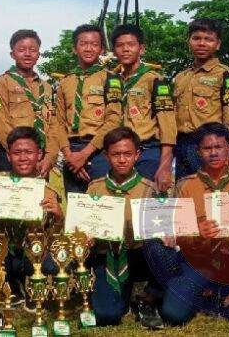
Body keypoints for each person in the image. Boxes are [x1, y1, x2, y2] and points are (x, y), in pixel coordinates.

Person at [147, 122, 229, 332]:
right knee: (174, 315)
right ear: (198, 152)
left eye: (218, 147)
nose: (213, 153)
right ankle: (209, 297)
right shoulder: (185, 186)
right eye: (207, 148)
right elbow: (177, 235)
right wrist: (197, 232)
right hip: (198, 263)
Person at [0, 126, 63, 315]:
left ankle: (33, 289)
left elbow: (57, 236)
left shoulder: (50, 190)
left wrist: (58, 217)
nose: (23, 157)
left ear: (39, 155)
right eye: (17, 153)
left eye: (29, 152)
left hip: (31, 256)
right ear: (8, 156)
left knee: (52, 261)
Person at [83, 127, 165, 329]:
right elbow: (84, 225)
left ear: (137, 155)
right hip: (107, 256)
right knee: (107, 315)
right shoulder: (95, 188)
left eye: (127, 154)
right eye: (116, 154)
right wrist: (86, 236)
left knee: (163, 252)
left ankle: (148, 294)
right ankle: (123, 294)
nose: (122, 160)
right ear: (106, 156)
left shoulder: (150, 189)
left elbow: (162, 228)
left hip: (139, 256)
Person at [52, 24, 122, 194]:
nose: (89, 48)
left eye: (94, 44)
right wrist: (69, 155)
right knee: (75, 204)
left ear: (102, 49)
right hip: (71, 151)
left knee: (102, 203)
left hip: (99, 151)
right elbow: (58, 123)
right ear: (74, 48)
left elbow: (113, 120)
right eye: (83, 44)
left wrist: (84, 154)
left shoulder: (111, 79)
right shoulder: (65, 82)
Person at [172, 19, 229, 179]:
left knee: (209, 189)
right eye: (196, 38)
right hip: (181, 144)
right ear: (189, 41)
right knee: (184, 189)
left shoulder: (226, 74)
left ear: (218, 44)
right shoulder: (181, 77)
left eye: (208, 39)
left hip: (209, 146)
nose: (202, 43)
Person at [110, 24, 176, 191]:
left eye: (131, 44)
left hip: (146, 151)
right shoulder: (111, 80)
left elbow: (167, 125)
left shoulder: (154, 80)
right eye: (120, 45)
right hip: (117, 152)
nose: (125, 49)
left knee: (144, 201)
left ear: (141, 49)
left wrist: (165, 165)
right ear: (114, 50)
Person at [0, 29, 57, 174]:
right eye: (21, 50)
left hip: (40, 158)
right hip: (10, 157)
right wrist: (21, 154)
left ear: (38, 54)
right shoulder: (1, 84)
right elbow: (0, 121)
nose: (27, 54)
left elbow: (53, 124)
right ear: (12, 54)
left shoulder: (47, 88)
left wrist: (49, 156)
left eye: (32, 50)